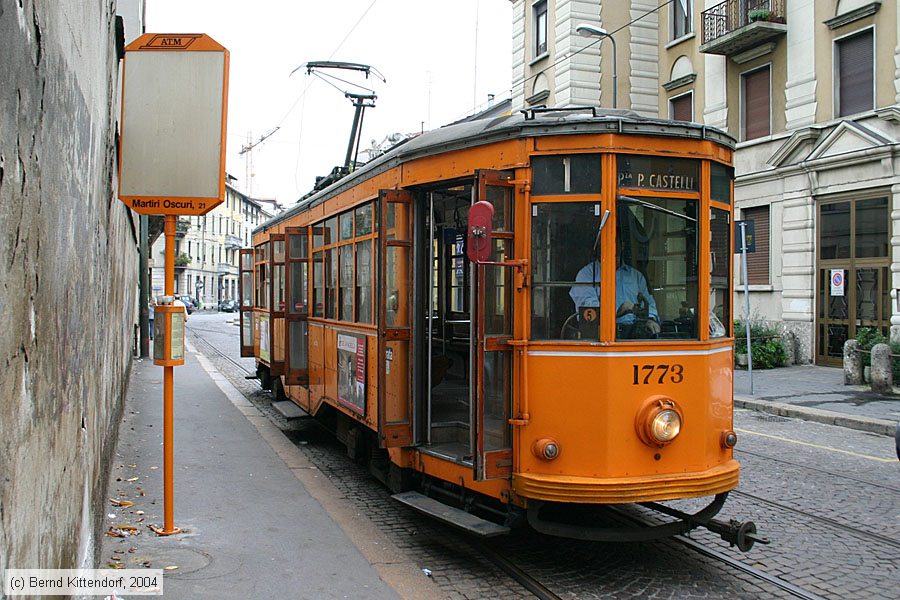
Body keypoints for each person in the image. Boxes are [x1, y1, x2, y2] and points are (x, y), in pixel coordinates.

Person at [569, 234, 660, 336]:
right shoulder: (587, 274)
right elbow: (589, 309)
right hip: (601, 335)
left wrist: (651, 319)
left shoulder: (636, 276)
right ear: (600, 246)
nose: (613, 249)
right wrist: (618, 312)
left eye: (616, 244)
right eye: (608, 244)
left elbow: (648, 302)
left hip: (634, 335)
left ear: (622, 246)